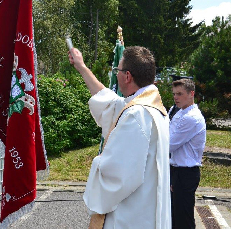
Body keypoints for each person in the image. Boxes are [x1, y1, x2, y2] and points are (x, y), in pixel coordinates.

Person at [68, 46, 171, 228]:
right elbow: (109, 103)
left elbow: (117, 175)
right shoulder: (154, 109)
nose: (116, 74)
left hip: (129, 217)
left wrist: (97, 163)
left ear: (128, 76)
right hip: (145, 213)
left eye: (118, 70)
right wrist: (81, 67)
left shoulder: (136, 115)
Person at [169, 78, 206, 229]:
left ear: (191, 94)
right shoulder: (180, 112)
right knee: (174, 217)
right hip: (176, 170)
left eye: (179, 94)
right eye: (174, 94)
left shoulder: (192, 117)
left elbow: (169, 144)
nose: (175, 97)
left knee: (183, 219)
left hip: (185, 173)